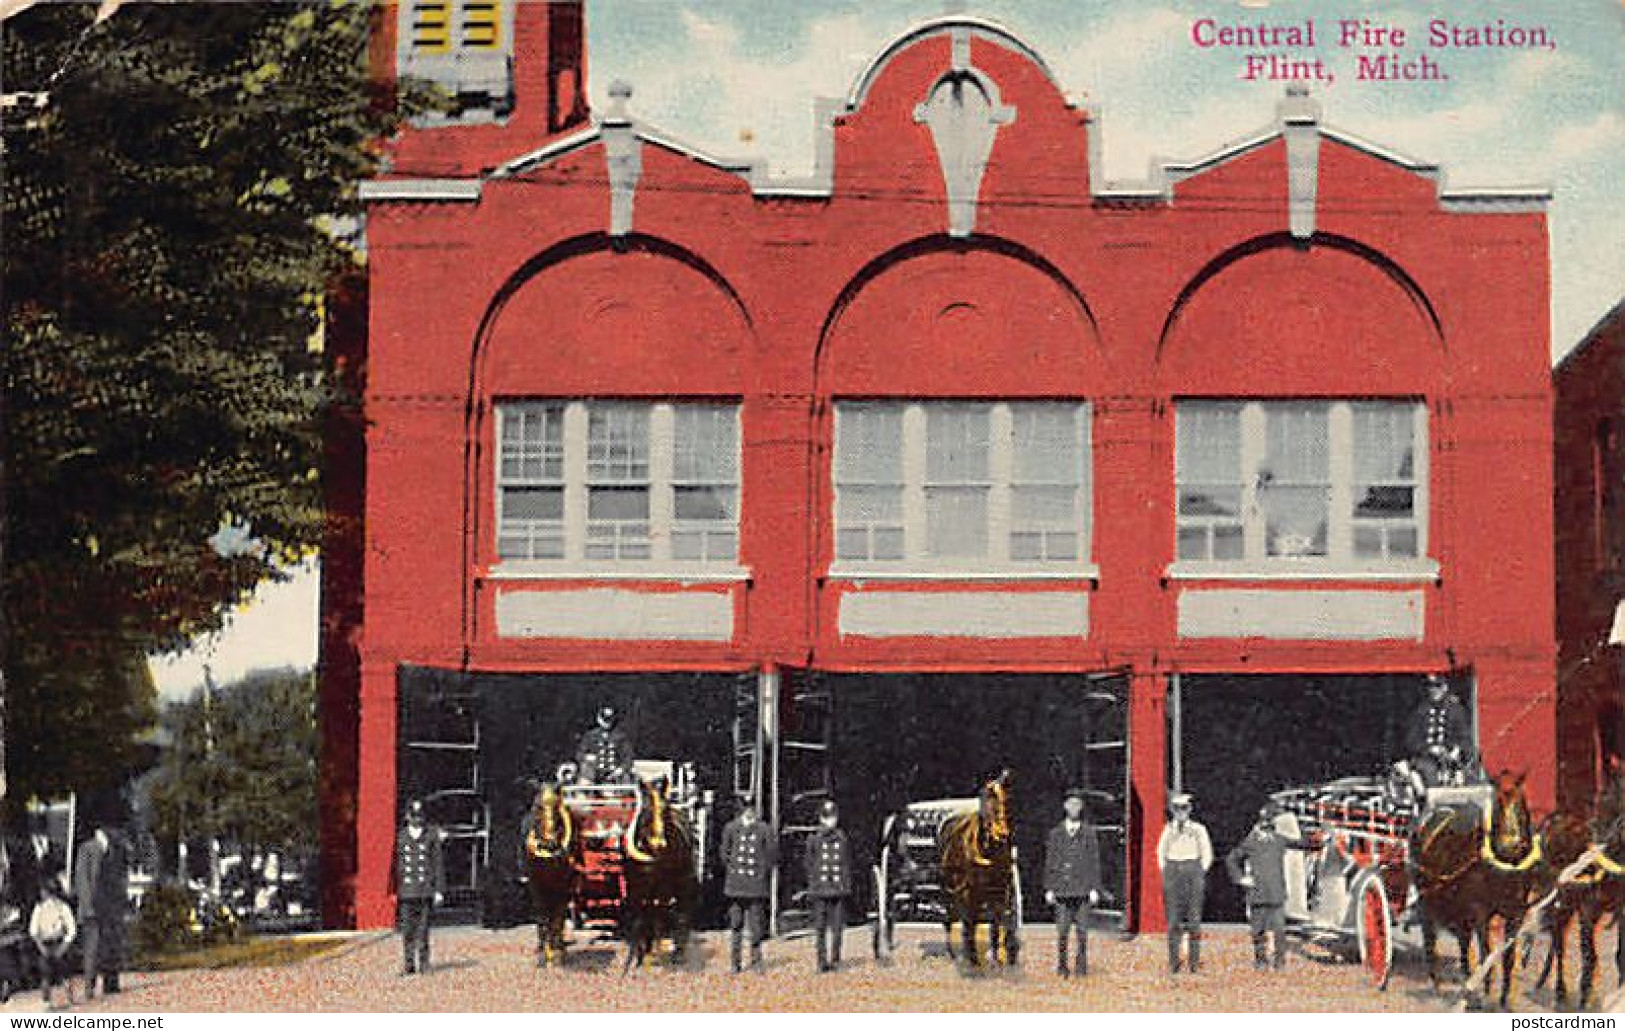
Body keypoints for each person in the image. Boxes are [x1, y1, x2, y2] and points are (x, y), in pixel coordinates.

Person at [1225, 801, 1300, 969]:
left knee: (1279, 930)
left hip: (1276, 892)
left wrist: (1325, 839)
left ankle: (1279, 963)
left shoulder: (1279, 840)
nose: (1266, 826)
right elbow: (1231, 859)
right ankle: (1260, 961)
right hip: (1257, 892)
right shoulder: (1251, 842)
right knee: (1258, 930)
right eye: (1264, 822)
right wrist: (1240, 878)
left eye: (1269, 822)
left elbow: (1301, 844)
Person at [1044, 788, 1102, 978]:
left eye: (1077, 804)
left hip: (1083, 890)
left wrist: (1094, 888)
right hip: (1062, 891)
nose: (1074, 807)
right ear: (1065, 806)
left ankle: (1081, 966)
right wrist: (1049, 888)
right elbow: (1050, 862)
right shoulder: (1055, 834)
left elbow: (1094, 862)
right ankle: (1062, 966)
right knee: (1062, 932)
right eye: (1070, 803)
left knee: (1082, 932)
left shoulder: (1089, 833)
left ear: (1081, 807)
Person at [1156, 792, 1212, 974]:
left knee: (1194, 920)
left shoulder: (1198, 829)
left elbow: (1206, 853)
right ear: (1172, 811)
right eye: (1177, 809)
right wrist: (1167, 871)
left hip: (1192, 869)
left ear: (1190, 810)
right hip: (1173, 871)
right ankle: (1174, 962)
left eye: (1184, 808)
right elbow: (1160, 852)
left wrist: (1199, 871)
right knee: (1173, 920)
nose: (1181, 812)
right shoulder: (1168, 830)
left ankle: (1194, 962)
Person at [720, 795, 776, 973]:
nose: (749, 811)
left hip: (755, 885)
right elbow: (725, 853)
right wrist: (733, 870)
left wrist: (761, 874)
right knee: (736, 925)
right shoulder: (731, 828)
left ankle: (756, 960)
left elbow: (771, 855)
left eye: (751, 807)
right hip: (736, 885)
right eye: (746, 807)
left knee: (756, 925)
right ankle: (735, 963)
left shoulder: (764, 829)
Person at [391, 799, 445, 976]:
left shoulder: (431, 836)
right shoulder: (401, 837)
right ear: (408, 817)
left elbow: (437, 863)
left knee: (423, 930)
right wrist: (392, 890)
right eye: (414, 816)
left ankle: (424, 963)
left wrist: (438, 890)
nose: (417, 820)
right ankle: (408, 963)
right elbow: (394, 865)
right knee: (407, 930)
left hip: (424, 889)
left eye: (420, 816)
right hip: (406, 891)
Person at [74, 822, 128, 999]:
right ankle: (89, 986)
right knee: (92, 948)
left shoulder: (117, 850)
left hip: (111, 907)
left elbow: (120, 879)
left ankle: (111, 982)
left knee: (112, 945)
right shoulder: (87, 849)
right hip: (93, 907)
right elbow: (82, 879)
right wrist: (87, 906)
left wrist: (121, 902)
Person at [802, 799, 852, 973]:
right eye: (827, 817)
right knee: (820, 927)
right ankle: (821, 961)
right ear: (821, 819)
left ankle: (836, 959)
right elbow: (809, 863)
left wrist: (845, 885)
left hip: (837, 888)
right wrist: (813, 885)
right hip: (820, 888)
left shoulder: (842, 838)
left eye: (833, 817)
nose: (830, 821)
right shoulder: (814, 839)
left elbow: (845, 862)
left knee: (837, 927)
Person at [1404, 674, 1475, 786]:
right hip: (1426, 759)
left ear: (1445, 688)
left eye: (1437, 686)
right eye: (1430, 686)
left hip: (1452, 759)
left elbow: (1465, 737)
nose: (1433, 690)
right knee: (1428, 773)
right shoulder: (1420, 711)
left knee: (1468, 777)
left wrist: (1457, 750)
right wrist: (1429, 749)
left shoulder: (1456, 711)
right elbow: (1411, 741)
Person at [28, 882, 75, 1009]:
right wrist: (41, 947)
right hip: (45, 943)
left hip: (60, 942)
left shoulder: (63, 907)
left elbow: (71, 929)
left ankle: (68, 998)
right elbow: (33, 931)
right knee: (45, 973)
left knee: (64, 972)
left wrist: (64, 947)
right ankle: (47, 1001)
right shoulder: (39, 908)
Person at [574, 705, 633, 784]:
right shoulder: (590, 735)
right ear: (599, 718)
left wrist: (621, 769)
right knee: (584, 778)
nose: (607, 723)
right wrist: (586, 757)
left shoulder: (620, 737)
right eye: (605, 719)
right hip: (592, 774)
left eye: (609, 719)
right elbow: (579, 754)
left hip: (614, 775)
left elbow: (628, 757)